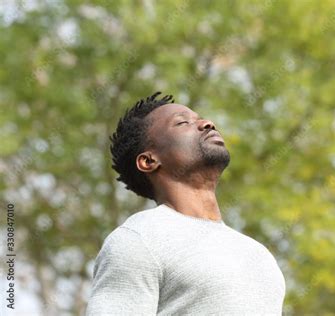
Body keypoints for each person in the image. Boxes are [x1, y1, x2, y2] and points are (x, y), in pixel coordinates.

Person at [86, 92, 286, 315]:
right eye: (182, 122)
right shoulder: (139, 239)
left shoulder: (257, 254)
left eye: (201, 118)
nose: (207, 124)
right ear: (149, 161)